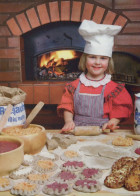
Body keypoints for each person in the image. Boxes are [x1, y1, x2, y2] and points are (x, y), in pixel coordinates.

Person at [57, 20, 133, 133]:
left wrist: (112, 122)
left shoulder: (113, 88)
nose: (97, 62)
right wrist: (68, 121)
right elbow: (67, 106)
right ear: (84, 59)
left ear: (109, 61)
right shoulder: (74, 86)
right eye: (92, 57)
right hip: (78, 131)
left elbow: (120, 108)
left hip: (103, 132)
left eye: (103, 58)